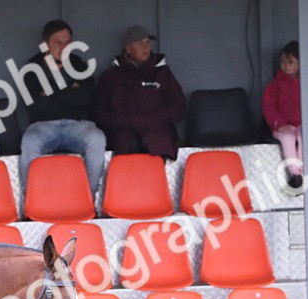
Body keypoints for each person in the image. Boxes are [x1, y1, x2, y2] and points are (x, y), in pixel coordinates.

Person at [19, 19, 106, 194]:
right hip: (43, 126)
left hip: (78, 126)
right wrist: (70, 91)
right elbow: (36, 107)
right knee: (30, 141)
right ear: (44, 45)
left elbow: (87, 98)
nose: (63, 46)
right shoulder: (31, 69)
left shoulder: (79, 65)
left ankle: (89, 197)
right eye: (58, 42)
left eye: (67, 42)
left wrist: (50, 93)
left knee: (96, 138)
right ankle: (32, 199)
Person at [95, 24, 187, 161]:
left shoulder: (162, 72)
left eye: (147, 42)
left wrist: (156, 119)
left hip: (158, 134)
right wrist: (123, 121)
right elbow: (100, 112)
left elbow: (178, 106)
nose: (146, 47)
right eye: (139, 43)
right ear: (128, 48)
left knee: (156, 154)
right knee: (128, 158)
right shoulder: (111, 77)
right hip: (124, 136)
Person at [262, 41, 308, 190]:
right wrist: (278, 122)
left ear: (300, 64)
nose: (286, 66)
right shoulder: (275, 85)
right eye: (283, 62)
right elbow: (269, 106)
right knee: (288, 137)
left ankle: (302, 172)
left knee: (304, 137)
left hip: (303, 125)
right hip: (282, 126)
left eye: (291, 62)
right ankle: (295, 174)